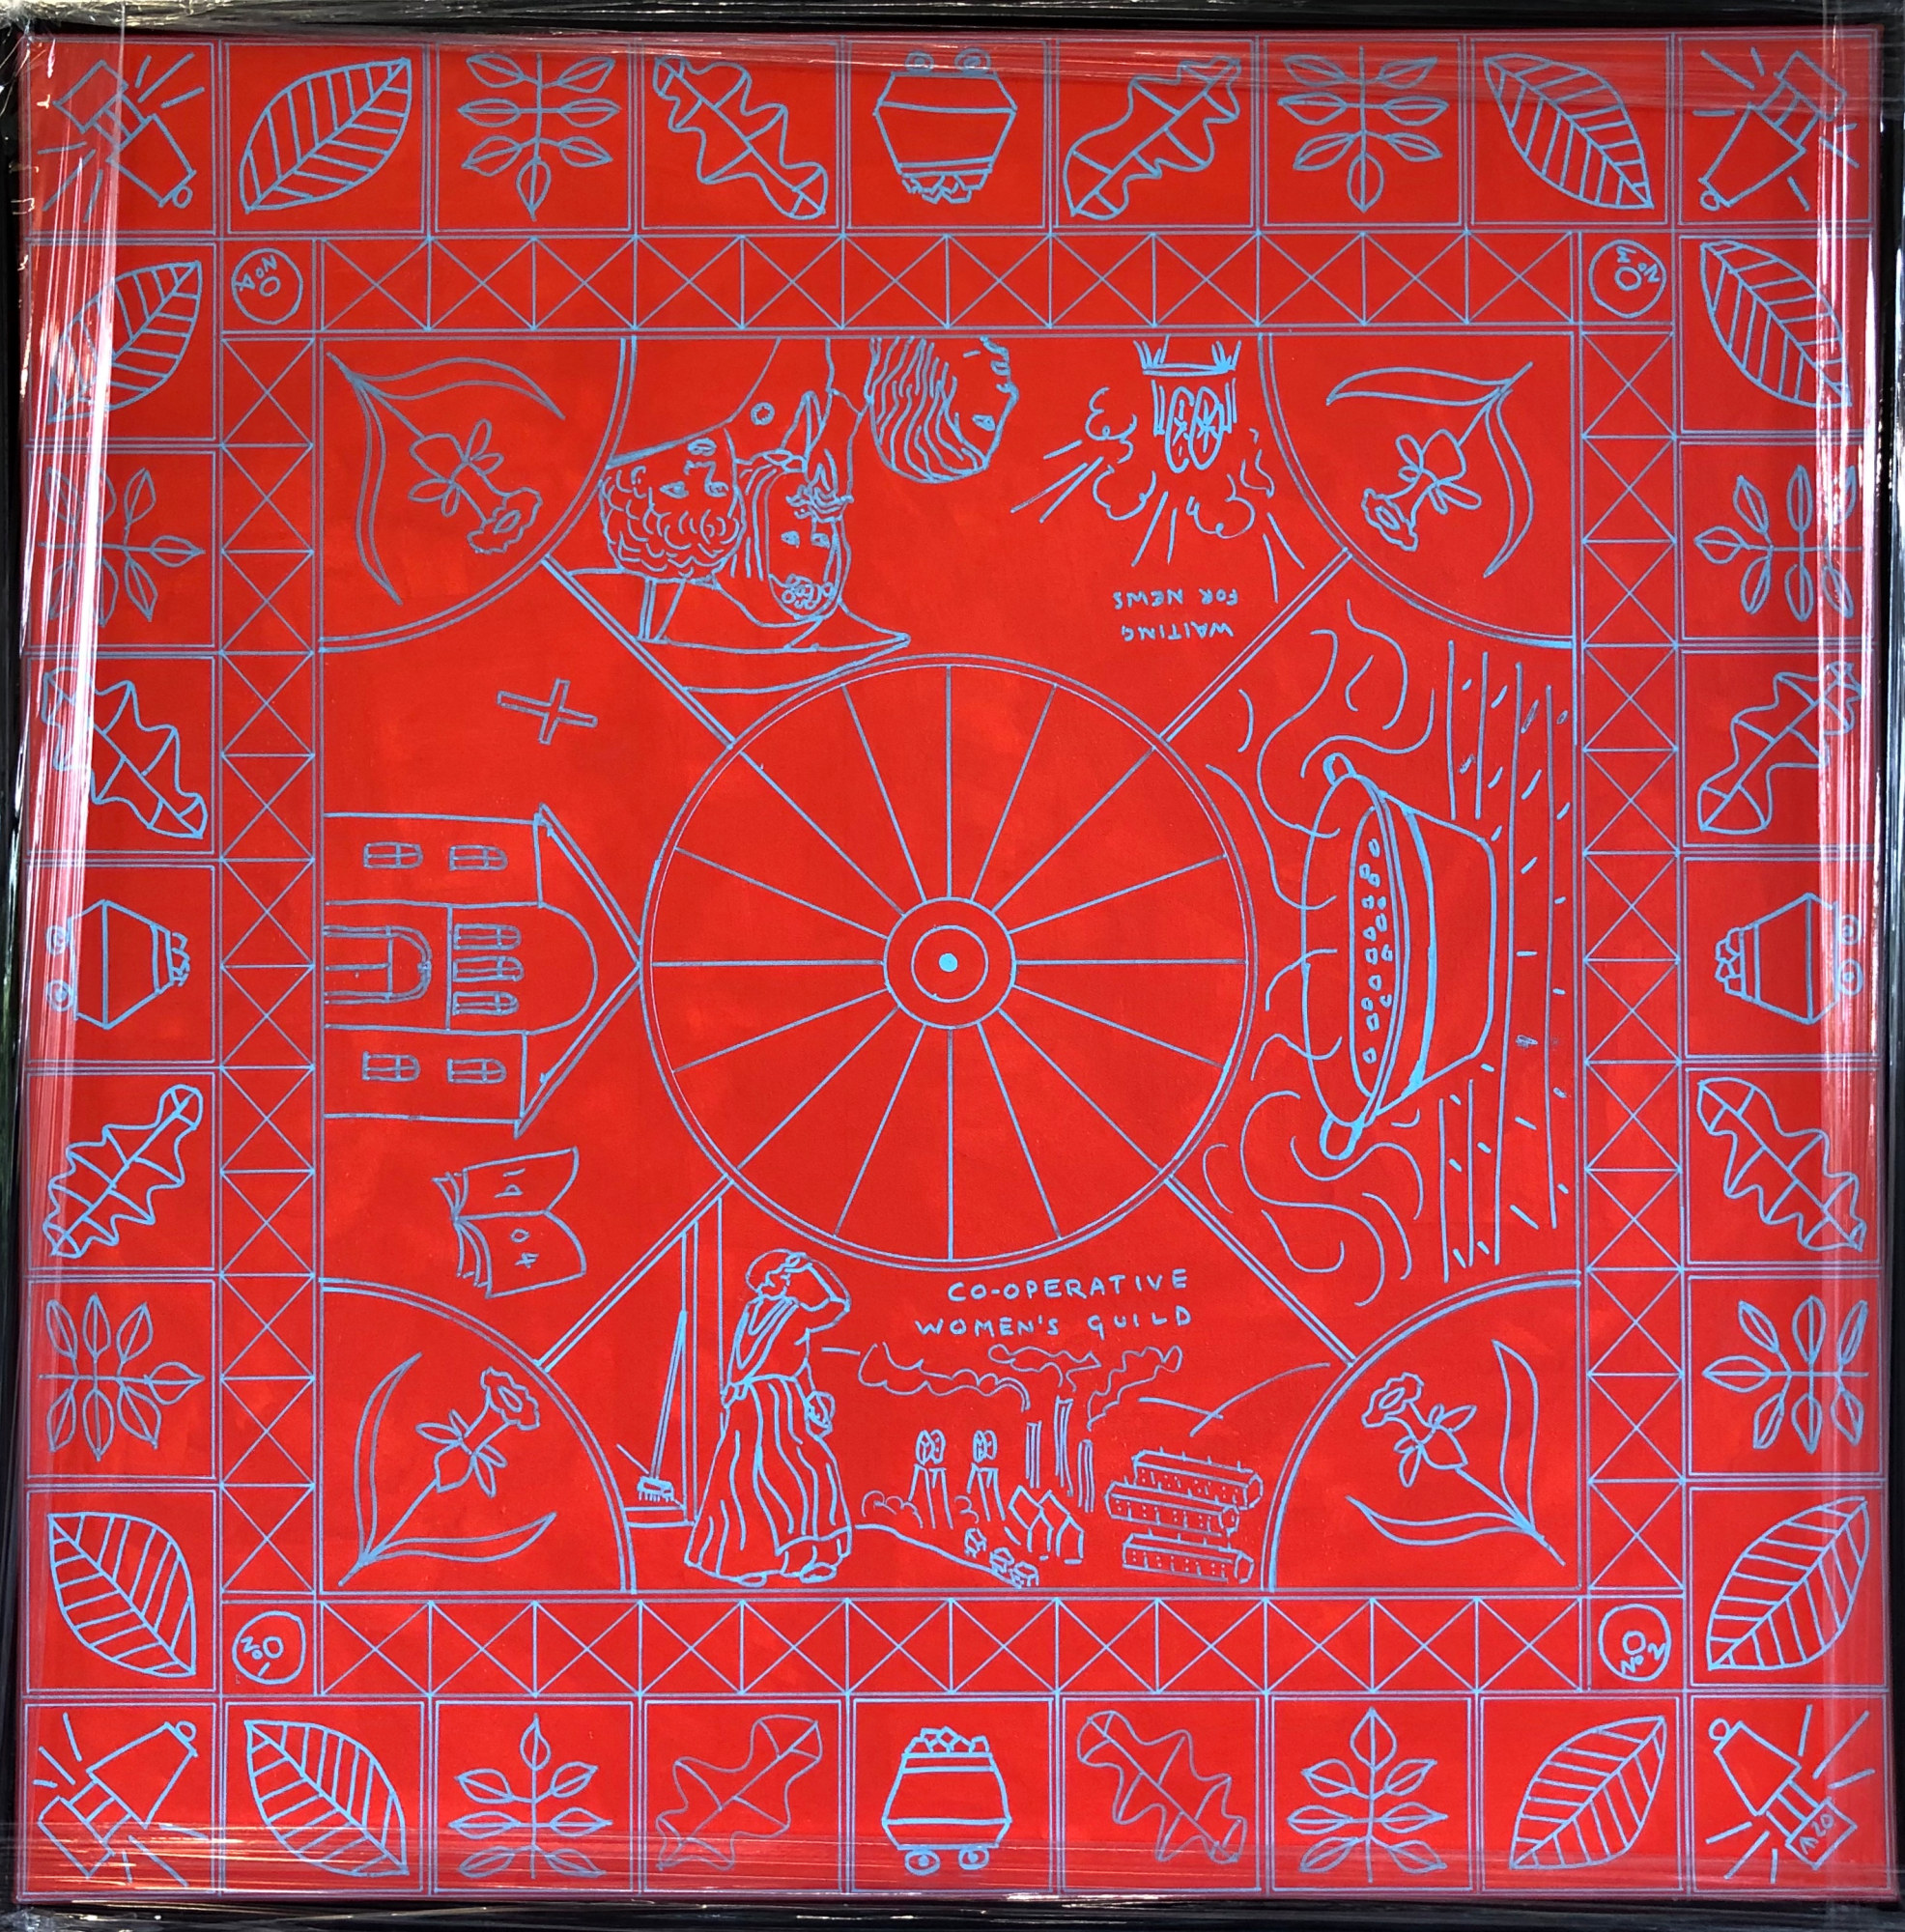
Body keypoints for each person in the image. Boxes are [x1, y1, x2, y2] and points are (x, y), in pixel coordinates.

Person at [685, 1249, 852, 1586]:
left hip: (757, 1402)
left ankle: (772, 1560)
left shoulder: (753, 1312)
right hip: (773, 1404)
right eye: (782, 1274)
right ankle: (801, 1558)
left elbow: (795, 1362)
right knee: (798, 1473)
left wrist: (810, 1396)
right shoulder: (789, 1312)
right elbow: (836, 1305)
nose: (787, 1280)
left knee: (754, 1475)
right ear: (767, 1280)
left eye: (787, 1275)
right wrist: (814, 1267)